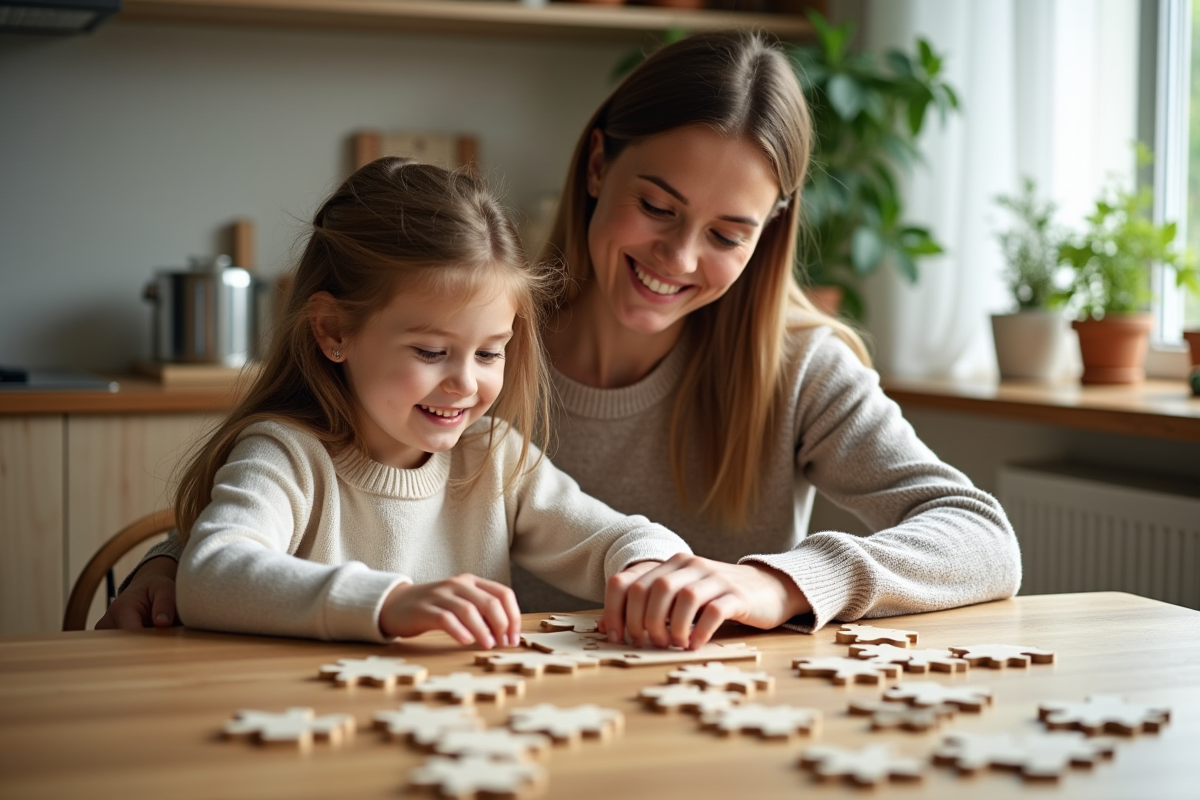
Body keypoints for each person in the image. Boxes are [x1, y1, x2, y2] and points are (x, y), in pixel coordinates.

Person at [102, 32, 1021, 651]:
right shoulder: (486, 334)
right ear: (595, 166)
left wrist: (773, 584)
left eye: (728, 233)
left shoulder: (798, 369)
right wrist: (182, 555)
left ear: (769, 234)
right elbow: (306, 481)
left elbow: (981, 537)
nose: (678, 256)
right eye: (657, 207)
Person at [160, 157, 697, 646]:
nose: (465, 383)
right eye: (432, 351)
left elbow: (615, 536)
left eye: (489, 353)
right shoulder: (287, 456)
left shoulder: (492, 455)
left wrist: (650, 566)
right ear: (333, 330)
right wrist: (389, 603)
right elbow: (211, 573)